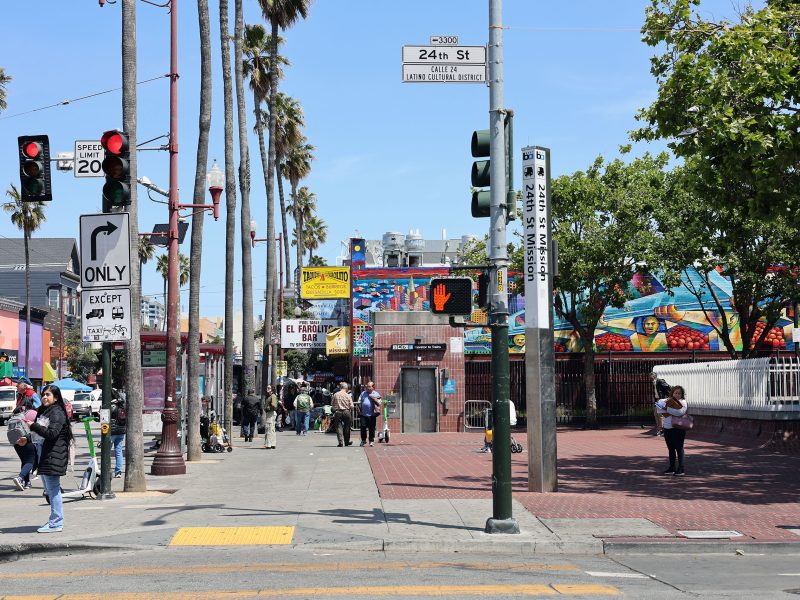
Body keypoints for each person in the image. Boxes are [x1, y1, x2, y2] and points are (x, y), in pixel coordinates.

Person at [25, 385, 72, 533]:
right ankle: (55, 520)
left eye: (48, 395)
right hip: (45, 455)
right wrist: (26, 439)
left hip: (54, 455)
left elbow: (52, 434)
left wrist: (34, 426)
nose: (44, 397)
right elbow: (40, 434)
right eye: (43, 395)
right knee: (50, 490)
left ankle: (56, 522)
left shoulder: (57, 413)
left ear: (56, 397)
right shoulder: (45, 411)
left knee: (53, 490)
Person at [658, 385, 688, 476]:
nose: (677, 395)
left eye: (679, 393)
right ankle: (672, 468)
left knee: (679, 448)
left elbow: (680, 412)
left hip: (678, 428)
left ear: (682, 394)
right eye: (675, 393)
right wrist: (667, 409)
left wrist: (667, 409)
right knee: (671, 449)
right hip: (667, 428)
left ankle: (681, 469)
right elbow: (659, 409)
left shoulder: (683, 402)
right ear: (672, 393)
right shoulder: (667, 401)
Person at [8, 406, 36, 490]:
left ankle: (26, 482)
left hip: (16, 442)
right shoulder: (31, 413)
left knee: (24, 461)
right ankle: (20, 478)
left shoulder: (13, 417)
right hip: (27, 439)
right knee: (30, 461)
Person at [331, 382, 354, 447]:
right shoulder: (348, 395)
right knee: (347, 427)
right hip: (346, 412)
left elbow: (332, 404)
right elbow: (352, 406)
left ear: (340, 387)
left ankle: (340, 442)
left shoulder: (336, 394)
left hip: (338, 412)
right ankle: (346, 442)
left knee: (338, 427)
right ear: (346, 388)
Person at [358, 381, 381, 447]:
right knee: (363, 427)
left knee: (372, 428)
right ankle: (363, 440)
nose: (367, 388)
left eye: (369, 386)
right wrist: (359, 409)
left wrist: (373, 398)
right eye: (367, 386)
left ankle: (371, 441)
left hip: (372, 415)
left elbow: (379, 403)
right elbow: (359, 401)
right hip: (363, 414)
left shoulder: (376, 394)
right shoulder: (363, 393)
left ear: (373, 387)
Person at [109, 394, 127, 479]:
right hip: (121, 431)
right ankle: (118, 471)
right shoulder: (122, 405)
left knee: (106, 451)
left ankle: (106, 469)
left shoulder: (111, 405)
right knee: (118, 451)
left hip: (112, 431)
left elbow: (104, 417)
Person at [650, 372, 671, 436]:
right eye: (650, 376)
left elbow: (668, 387)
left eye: (651, 376)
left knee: (660, 415)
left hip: (662, 399)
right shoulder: (653, 383)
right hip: (657, 400)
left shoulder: (660, 381)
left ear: (654, 376)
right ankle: (659, 429)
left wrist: (669, 397)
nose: (650, 378)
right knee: (656, 414)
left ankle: (662, 430)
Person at [263, 384, 278, 449]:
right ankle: (272, 444)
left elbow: (274, 405)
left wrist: (267, 408)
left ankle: (269, 444)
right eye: (267, 387)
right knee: (271, 429)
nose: (267, 389)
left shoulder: (273, 396)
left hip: (270, 413)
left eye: (269, 388)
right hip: (270, 413)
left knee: (269, 428)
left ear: (272, 389)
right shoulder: (269, 396)